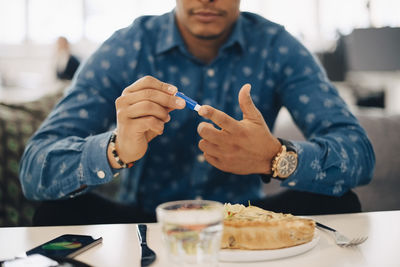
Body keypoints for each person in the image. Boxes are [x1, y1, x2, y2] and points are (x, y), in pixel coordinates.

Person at [19, 0, 375, 226]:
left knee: (341, 200)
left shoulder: (277, 47)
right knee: (55, 213)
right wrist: (115, 149)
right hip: (144, 222)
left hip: (243, 219)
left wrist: (276, 157)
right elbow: (35, 168)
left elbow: (359, 153)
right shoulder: (128, 46)